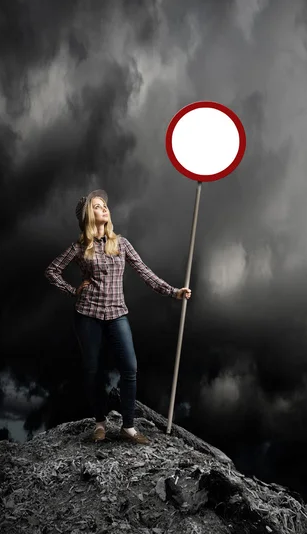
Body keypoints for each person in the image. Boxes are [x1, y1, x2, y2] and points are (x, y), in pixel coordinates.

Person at [44, 189, 191, 444]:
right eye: (98, 206)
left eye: (105, 205)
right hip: (87, 315)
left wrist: (173, 292)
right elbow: (52, 271)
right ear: (90, 215)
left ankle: (128, 427)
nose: (105, 209)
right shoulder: (79, 248)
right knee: (94, 371)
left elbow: (144, 272)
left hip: (116, 314)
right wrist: (73, 290)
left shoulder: (121, 243)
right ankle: (99, 423)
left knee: (130, 367)